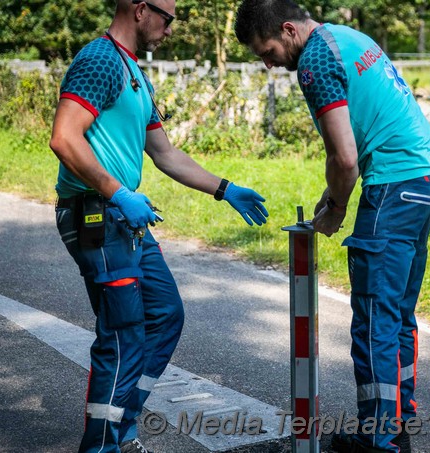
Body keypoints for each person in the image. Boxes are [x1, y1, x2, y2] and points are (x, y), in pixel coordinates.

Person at [50, 1, 269, 452]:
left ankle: (123, 427)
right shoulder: (99, 60)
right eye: (168, 18)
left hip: (122, 218)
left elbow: (164, 153)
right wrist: (118, 193)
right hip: (97, 214)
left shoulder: (135, 72)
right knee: (124, 333)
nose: (172, 29)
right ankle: (104, 446)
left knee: (165, 315)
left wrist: (224, 188)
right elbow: (65, 137)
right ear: (139, 9)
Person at [235, 2, 430, 452]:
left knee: (374, 320)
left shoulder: (314, 60)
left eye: (268, 51)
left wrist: (335, 207)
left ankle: (379, 440)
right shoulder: (347, 37)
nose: (269, 63)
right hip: (429, 178)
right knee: (396, 316)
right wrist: (335, 193)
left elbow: (345, 157)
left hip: (394, 185)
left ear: (288, 30)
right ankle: (397, 424)